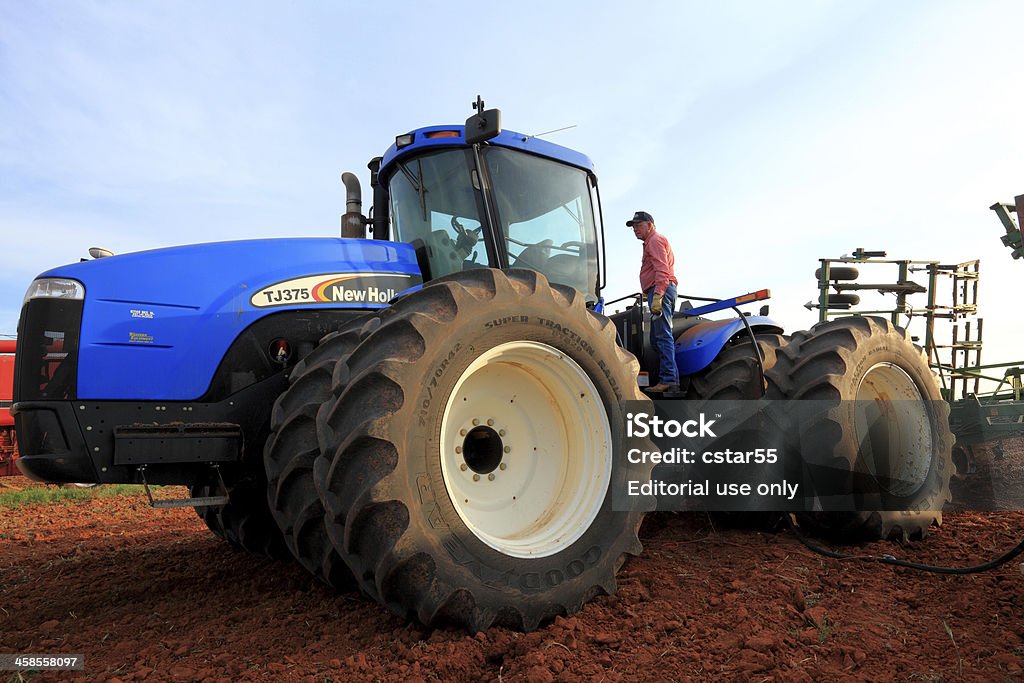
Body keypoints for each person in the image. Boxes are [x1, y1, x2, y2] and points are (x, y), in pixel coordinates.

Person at [627, 211, 679, 393]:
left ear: (649, 225)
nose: (635, 229)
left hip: (661, 290)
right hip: (657, 290)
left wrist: (658, 294)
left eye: (638, 225)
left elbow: (662, 270)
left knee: (662, 336)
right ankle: (668, 377)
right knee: (656, 339)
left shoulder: (655, 241)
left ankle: (669, 380)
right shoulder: (651, 242)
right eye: (633, 227)